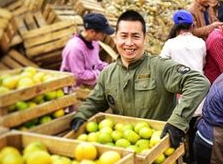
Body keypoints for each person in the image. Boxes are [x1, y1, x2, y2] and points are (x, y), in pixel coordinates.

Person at [70, 10, 210, 149]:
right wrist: (81, 115)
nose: (129, 43)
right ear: (116, 38)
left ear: (144, 38)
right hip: (123, 149)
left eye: (135, 36)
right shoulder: (108, 73)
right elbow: (95, 102)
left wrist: (177, 122)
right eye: (124, 36)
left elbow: (199, 83)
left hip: (159, 148)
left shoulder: (159, 67)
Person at [60, 13, 114, 88]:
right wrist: (101, 74)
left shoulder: (94, 43)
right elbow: (79, 75)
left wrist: (110, 68)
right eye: (103, 33)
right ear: (92, 32)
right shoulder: (75, 48)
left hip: (87, 86)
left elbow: (96, 63)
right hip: (73, 89)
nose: (104, 36)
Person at [160, 10, 206, 74]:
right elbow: (203, 63)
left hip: (178, 80)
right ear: (192, 25)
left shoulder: (170, 43)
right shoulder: (201, 43)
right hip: (198, 80)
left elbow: (161, 63)